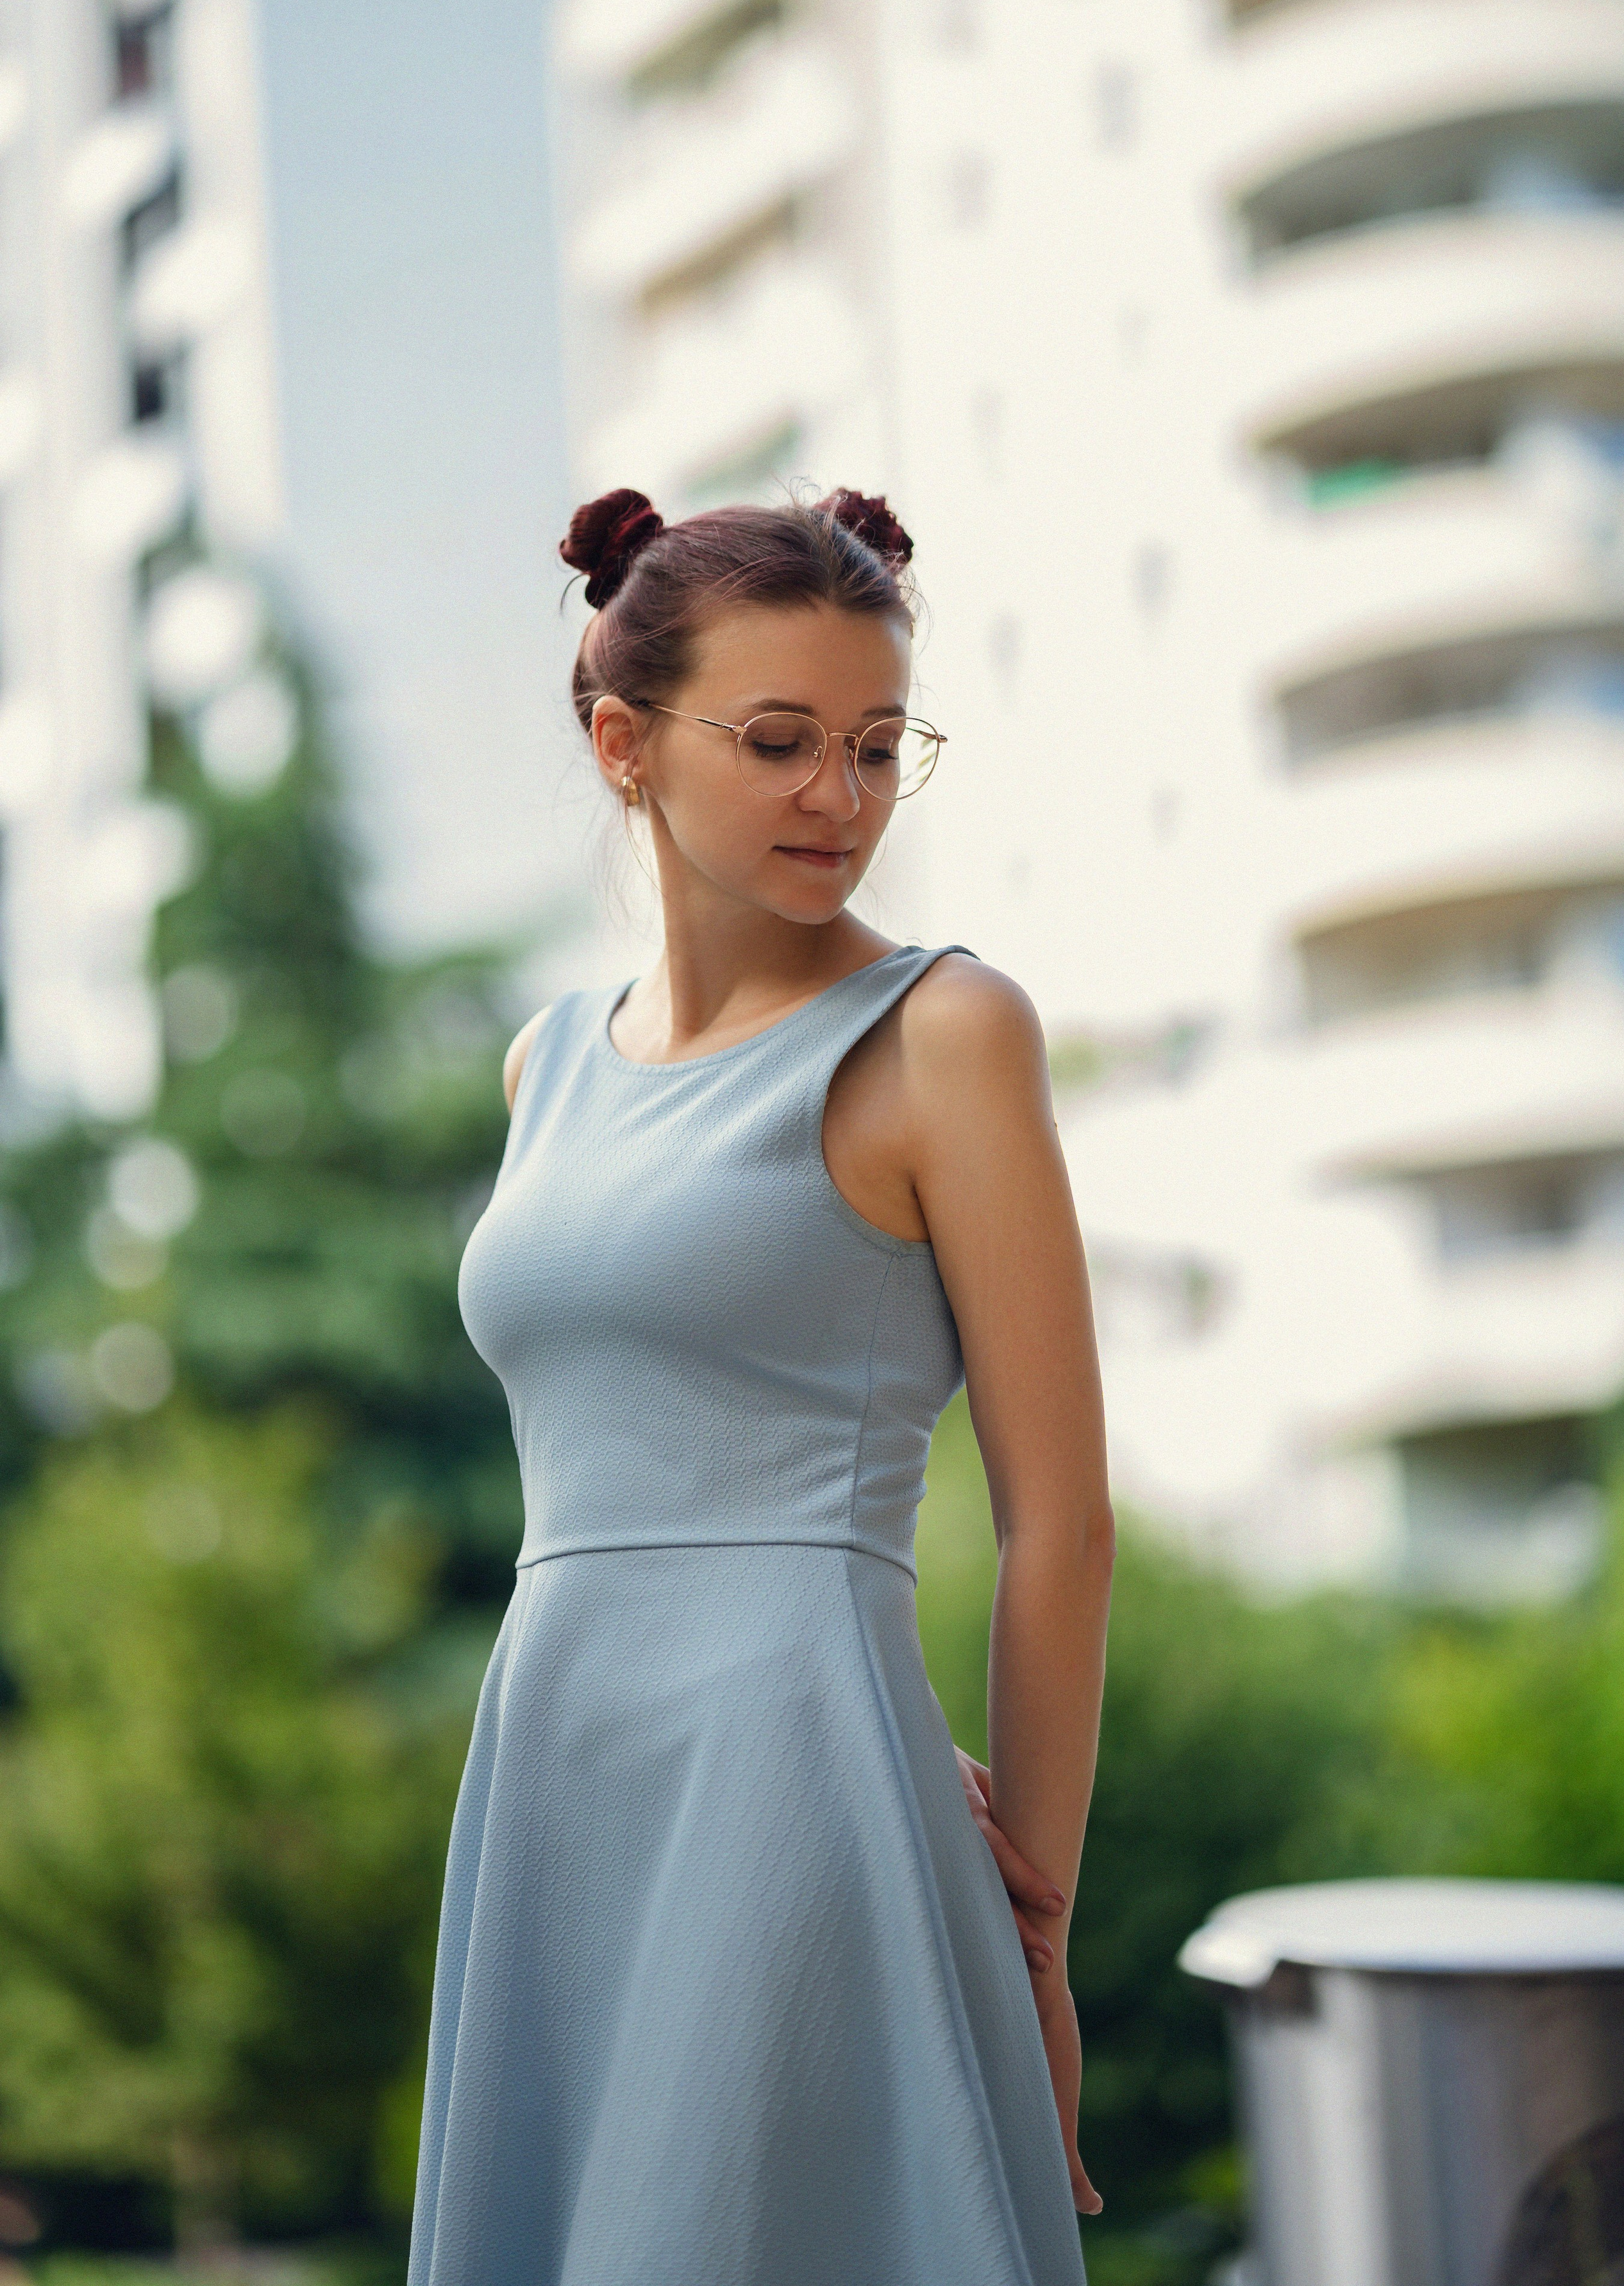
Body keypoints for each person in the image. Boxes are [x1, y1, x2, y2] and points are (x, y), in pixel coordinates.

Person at [408, 485, 1116, 2286]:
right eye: (783, 741)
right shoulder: (541, 1065)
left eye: (879, 748)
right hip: (559, 1764)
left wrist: (1036, 1926)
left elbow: (1061, 1524)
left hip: (797, 1762)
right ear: (622, 742)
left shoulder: (947, 1033)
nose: (843, 798)